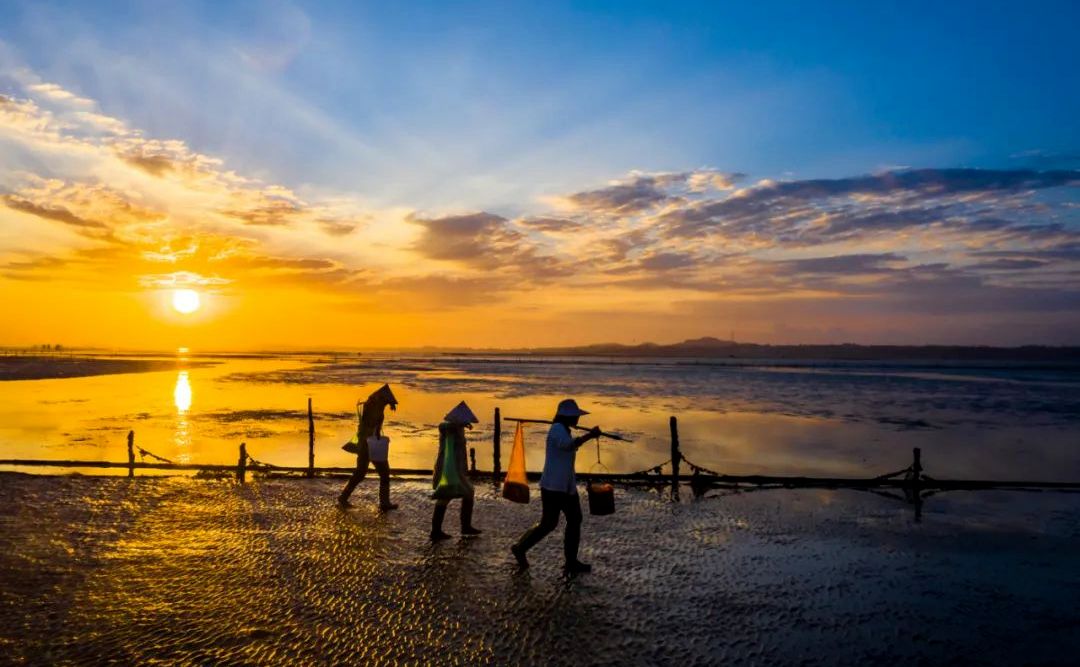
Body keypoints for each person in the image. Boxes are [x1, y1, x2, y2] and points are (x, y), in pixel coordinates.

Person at [511, 398, 601, 574]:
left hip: (565, 486)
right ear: (567, 417)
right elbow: (567, 446)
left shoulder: (563, 429)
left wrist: (586, 437)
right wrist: (589, 436)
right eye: (575, 416)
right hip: (554, 487)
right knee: (549, 523)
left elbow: (567, 447)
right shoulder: (557, 430)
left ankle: (571, 561)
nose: (577, 420)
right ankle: (521, 548)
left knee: (573, 520)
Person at [338, 383, 399, 511]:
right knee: (383, 473)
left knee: (360, 473)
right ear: (381, 399)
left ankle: (344, 497)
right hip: (370, 445)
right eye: (386, 402)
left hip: (367, 443)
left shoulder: (372, 405)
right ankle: (384, 502)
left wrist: (390, 404)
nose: (387, 404)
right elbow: (372, 424)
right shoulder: (372, 407)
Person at [430, 401, 482, 540]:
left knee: (466, 492)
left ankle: (463, 527)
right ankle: (438, 531)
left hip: (456, 469)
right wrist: (457, 425)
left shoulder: (458, 428)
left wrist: (461, 425)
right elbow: (443, 427)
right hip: (448, 469)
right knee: (445, 498)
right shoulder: (448, 428)